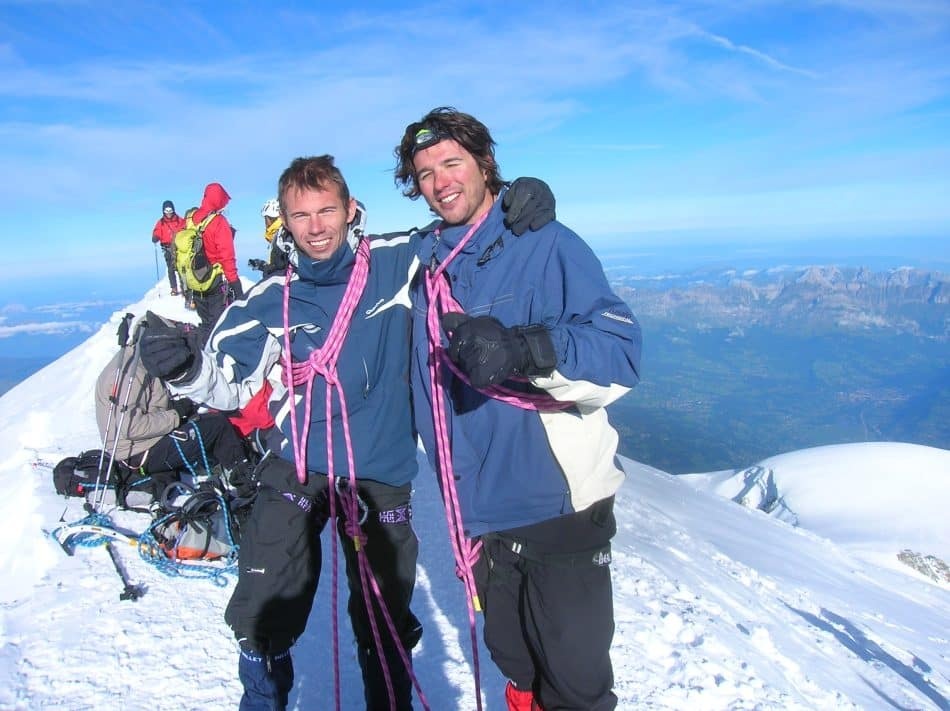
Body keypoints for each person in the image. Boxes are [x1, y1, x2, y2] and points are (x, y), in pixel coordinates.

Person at [136, 155, 554, 711]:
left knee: (383, 616)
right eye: (301, 215)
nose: (315, 227)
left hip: (378, 470)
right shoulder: (269, 301)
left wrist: (508, 207)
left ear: (350, 209)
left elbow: (463, 231)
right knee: (264, 605)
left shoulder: (395, 260)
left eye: (327, 210)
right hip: (298, 465)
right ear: (283, 221)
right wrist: (185, 369)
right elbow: (230, 384)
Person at [394, 107, 642, 711]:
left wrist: (526, 348)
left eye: (452, 162)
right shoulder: (419, 264)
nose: (440, 181)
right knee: (519, 668)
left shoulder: (544, 241)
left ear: (484, 164)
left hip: (555, 507)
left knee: (575, 688)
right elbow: (335, 261)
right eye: (425, 173)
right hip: (477, 512)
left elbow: (620, 351)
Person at [95, 338, 250, 503]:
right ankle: (245, 481)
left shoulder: (135, 362)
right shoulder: (129, 375)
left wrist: (178, 409)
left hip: (135, 450)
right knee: (217, 426)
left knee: (201, 422)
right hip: (140, 453)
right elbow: (132, 427)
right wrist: (176, 415)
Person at [190, 182, 243, 346]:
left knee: (206, 324)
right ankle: (215, 361)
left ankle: (202, 356)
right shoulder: (219, 222)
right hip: (215, 281)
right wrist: (236, 285)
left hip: (196, 281)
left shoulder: (193, 219)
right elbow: (226, 256)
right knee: (218, 325)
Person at [151, 200, 185, 296]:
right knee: (171, 269)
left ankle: (184, 288)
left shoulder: (180, 220)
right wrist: (155, 237)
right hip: (167, 248)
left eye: (170, 210)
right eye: (166, 210)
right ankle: (174, 289)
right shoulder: (161, 223)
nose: (169, 213)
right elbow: (157, 232)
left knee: (180, 268)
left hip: (179, 247)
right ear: (163, 211)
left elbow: (185, 229)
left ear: (173, 210)